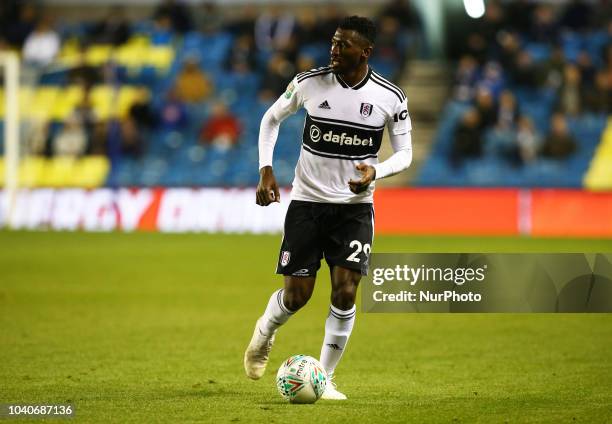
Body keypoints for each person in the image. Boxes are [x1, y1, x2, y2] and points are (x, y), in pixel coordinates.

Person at [244, 16, 412, 400]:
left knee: (346, 291)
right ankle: (265, 331)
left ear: (365, 52)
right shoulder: (307, 83)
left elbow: (405, 155)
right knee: (297, 296)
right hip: (307, 203)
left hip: (354, 209)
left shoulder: (391, 97)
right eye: (334, 43)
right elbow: (271, 119)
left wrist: (376, 172)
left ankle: (324, 377)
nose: (334, 50)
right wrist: (265, 170)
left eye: (344, 45)